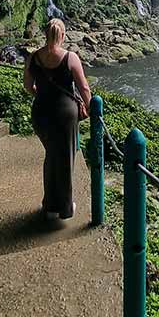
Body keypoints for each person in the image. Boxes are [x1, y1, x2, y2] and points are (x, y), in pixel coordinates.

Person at [23, 19, 92, 220]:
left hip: (41, 113)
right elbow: (84, 87)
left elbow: (28, 85)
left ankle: (50, 203)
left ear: (46, 34)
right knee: (64, 159)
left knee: (51, 155)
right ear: (62, 35)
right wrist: (91, 107)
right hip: (64, 115)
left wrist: (42, 94)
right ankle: (65, 207)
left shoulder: (34, 57)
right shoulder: (70, 57)